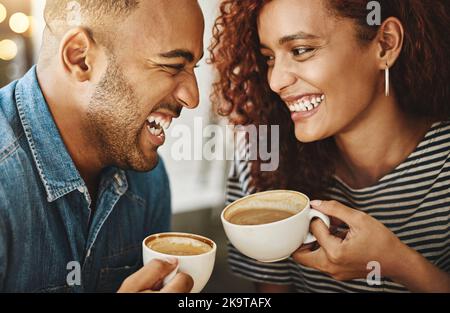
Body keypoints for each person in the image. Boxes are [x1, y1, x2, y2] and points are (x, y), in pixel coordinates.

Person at [210, 0, 450, 292]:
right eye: (269, 58)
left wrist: (397, 263)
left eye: (301, 50)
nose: (275, 80)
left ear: (385, 44)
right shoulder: (263, 160)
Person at [0, 0, 204, 292]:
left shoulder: (149, 182)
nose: (192, 97)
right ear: (80, 58)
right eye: (172, 66)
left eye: (194, 67)